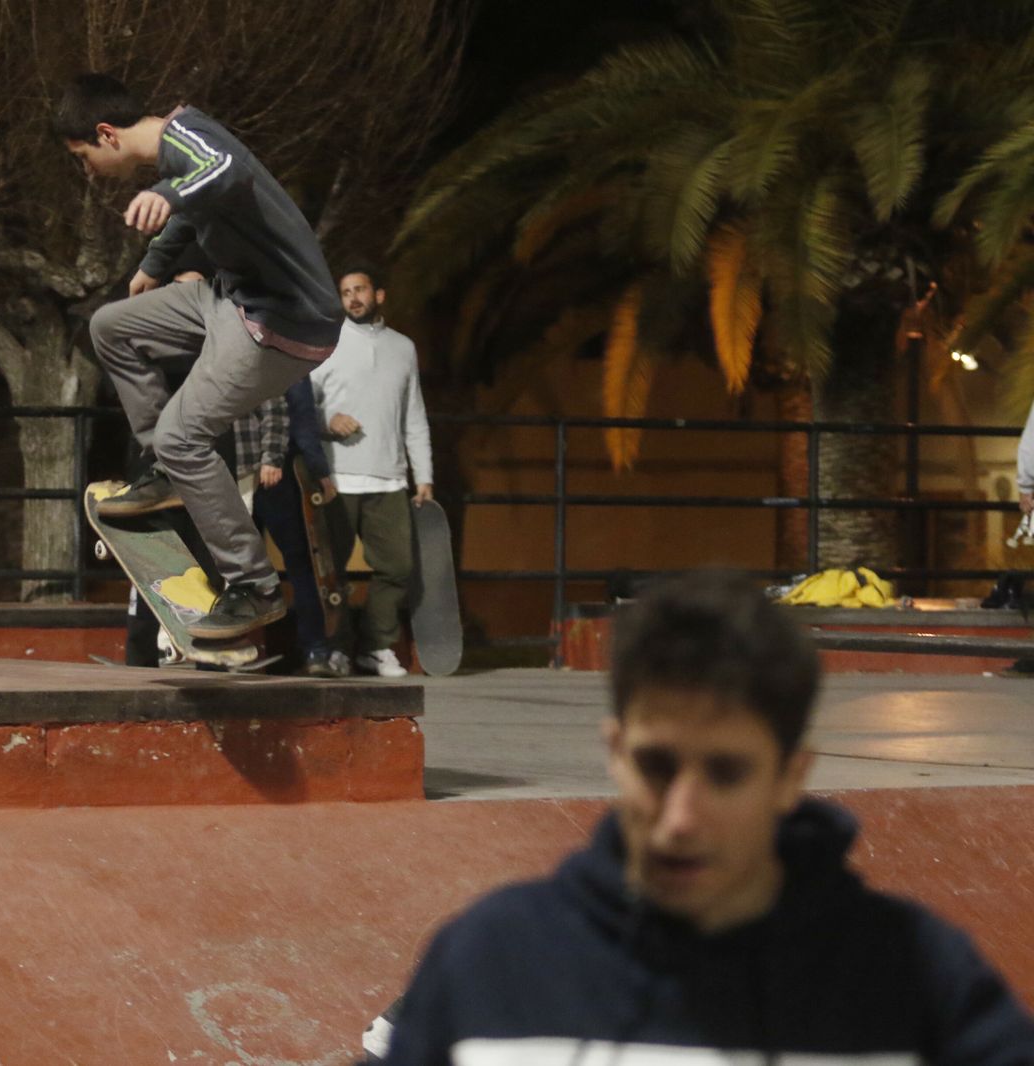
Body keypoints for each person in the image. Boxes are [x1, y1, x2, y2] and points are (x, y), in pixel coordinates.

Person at [372, 570, 1034, 1064]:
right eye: (659, 767)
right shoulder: (490, 965)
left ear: (791, 777)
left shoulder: (916, 980)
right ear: (616, 753)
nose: (682, 818)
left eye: (726, 773)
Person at [57, 72, 344, 640]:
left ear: (107, 134)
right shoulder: (179, 155)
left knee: (183, 435)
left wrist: (165, 195)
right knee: (110, 326)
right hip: (229, 297)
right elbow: (200, 204)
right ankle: (166, 473)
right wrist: (156, 263)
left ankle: (253, 587)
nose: (88, 172)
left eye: (83, 156)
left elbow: (225, 173)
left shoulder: (188, 133)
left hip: (281, 319)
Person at [310, 266, 433, 678]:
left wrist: (424, 476)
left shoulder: (404, 348)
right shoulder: (326, 341)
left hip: (390, 478)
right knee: (332, 572)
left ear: (378, 294)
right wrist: (327, 421)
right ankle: (337, 649)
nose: (353, 298)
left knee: (397, 567)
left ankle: (377, 647)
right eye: (346, 292)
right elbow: (298, 407)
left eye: (360, 289)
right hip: (338, 478)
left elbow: (413, 414)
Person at [234, 382, 350, 676]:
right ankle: (314, 650)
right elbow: (301, 418)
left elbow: (292, 414)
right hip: (273, 469)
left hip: (254, 469)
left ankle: (309, 649)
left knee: (241, 563)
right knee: (300, 561)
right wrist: (317, 469)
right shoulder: (290, 361)